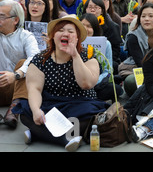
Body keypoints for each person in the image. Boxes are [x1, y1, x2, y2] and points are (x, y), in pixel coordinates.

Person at [13, 15, 108, 151]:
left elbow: (86, 84)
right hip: (50, 105)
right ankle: (65, 138)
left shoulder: (87, 56)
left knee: (92, 117)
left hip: (80, 104)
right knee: (25, 111)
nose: (65, 34)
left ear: (77, 37)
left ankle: (38, 133)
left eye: (70, 31)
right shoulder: (40, 59)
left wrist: (75, 55)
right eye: (61, 30)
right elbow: (35, 89)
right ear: (52, 36)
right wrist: (36, 110)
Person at [0, 0, 40, 129]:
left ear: (15, 20)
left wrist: (16, 75)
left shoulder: (26, 36)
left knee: (26, 64)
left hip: (18, 88)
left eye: (1, 16)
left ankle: (13, 112)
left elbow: (35, 58)